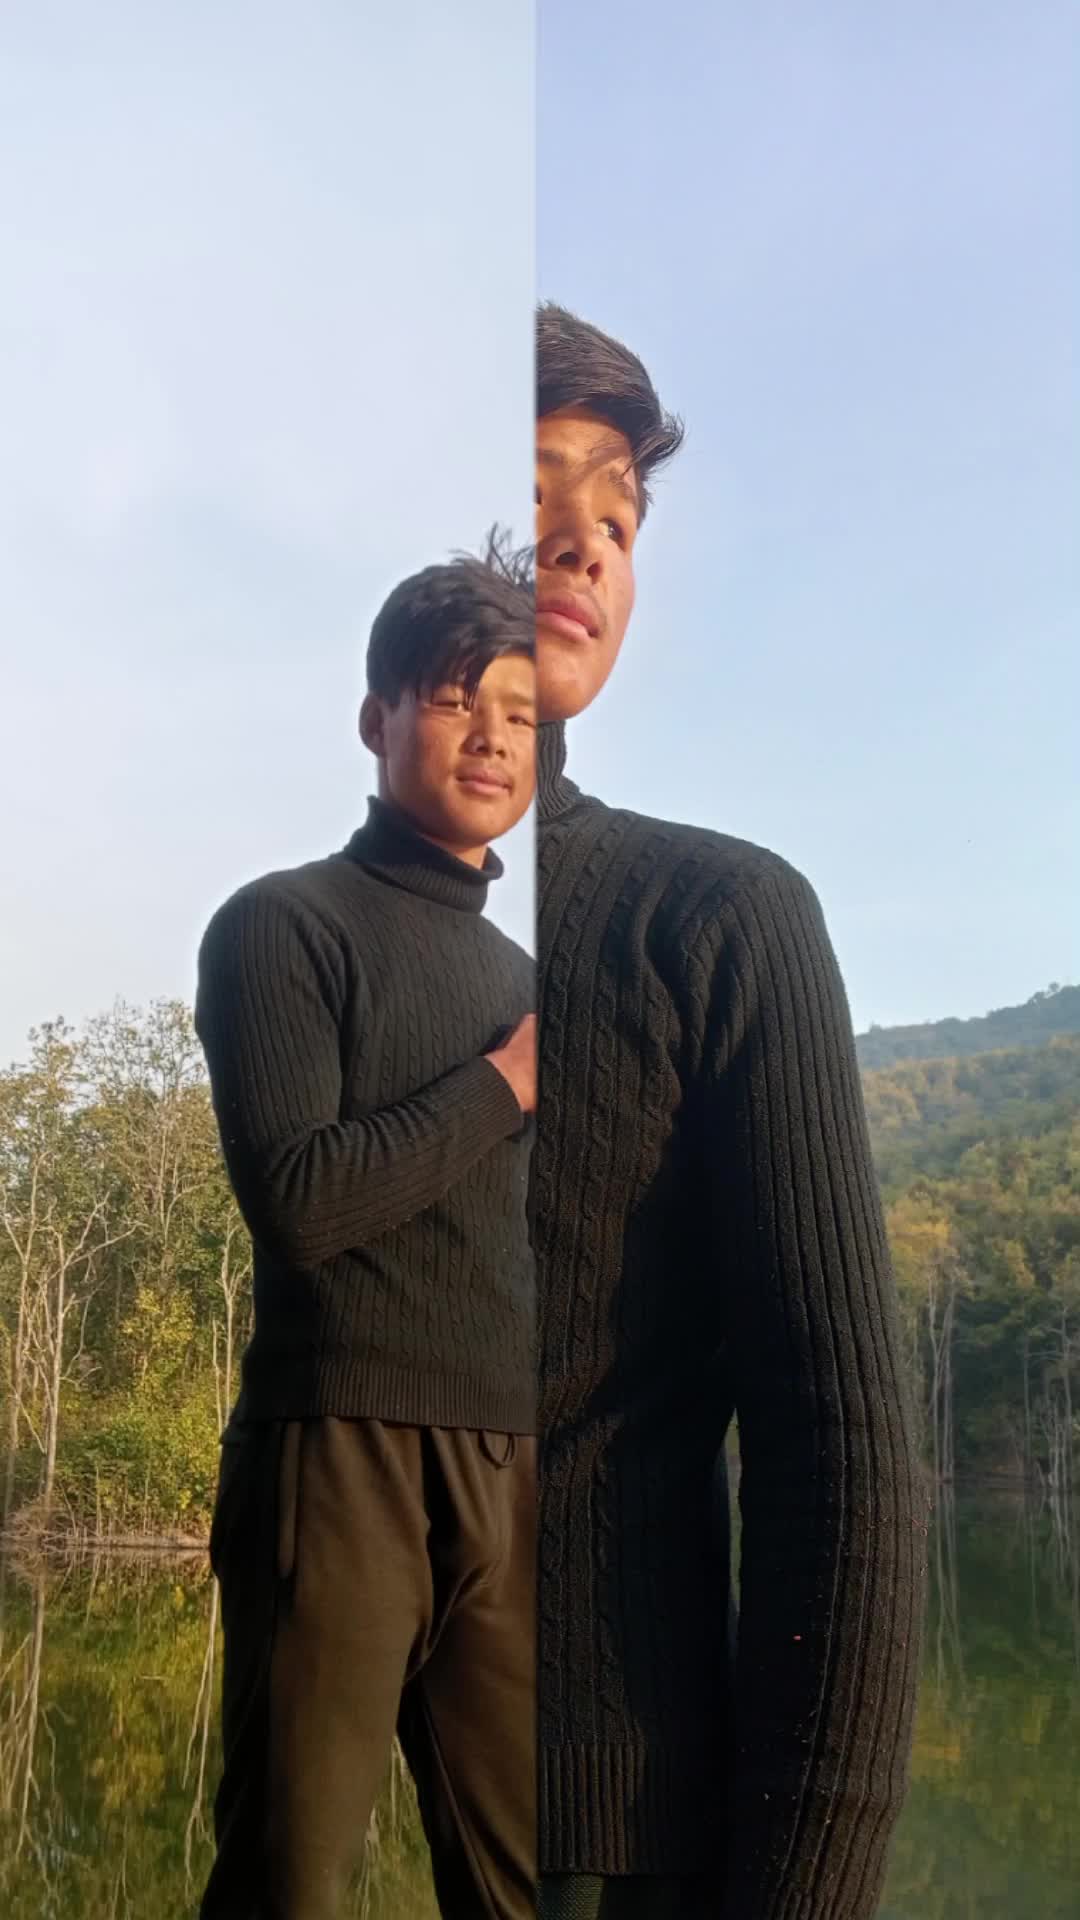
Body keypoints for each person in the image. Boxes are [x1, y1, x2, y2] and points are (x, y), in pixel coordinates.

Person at [532, 303, 927, 1920]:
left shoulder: (713, 924)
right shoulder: (296, 939)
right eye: (538, 488)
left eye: (619, 520)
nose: (585, 541)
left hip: (610, 1845)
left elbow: (839, 1458)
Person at [195, 533, 539, 1920]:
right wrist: (504, 1086)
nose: (493, 737)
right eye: (457, 698)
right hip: (336, 1454)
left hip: (513, 1464)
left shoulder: (529, 978)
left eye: (522, 714)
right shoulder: (282, 929)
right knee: (289, 1881)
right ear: (376, 716)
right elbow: (302, 1200)